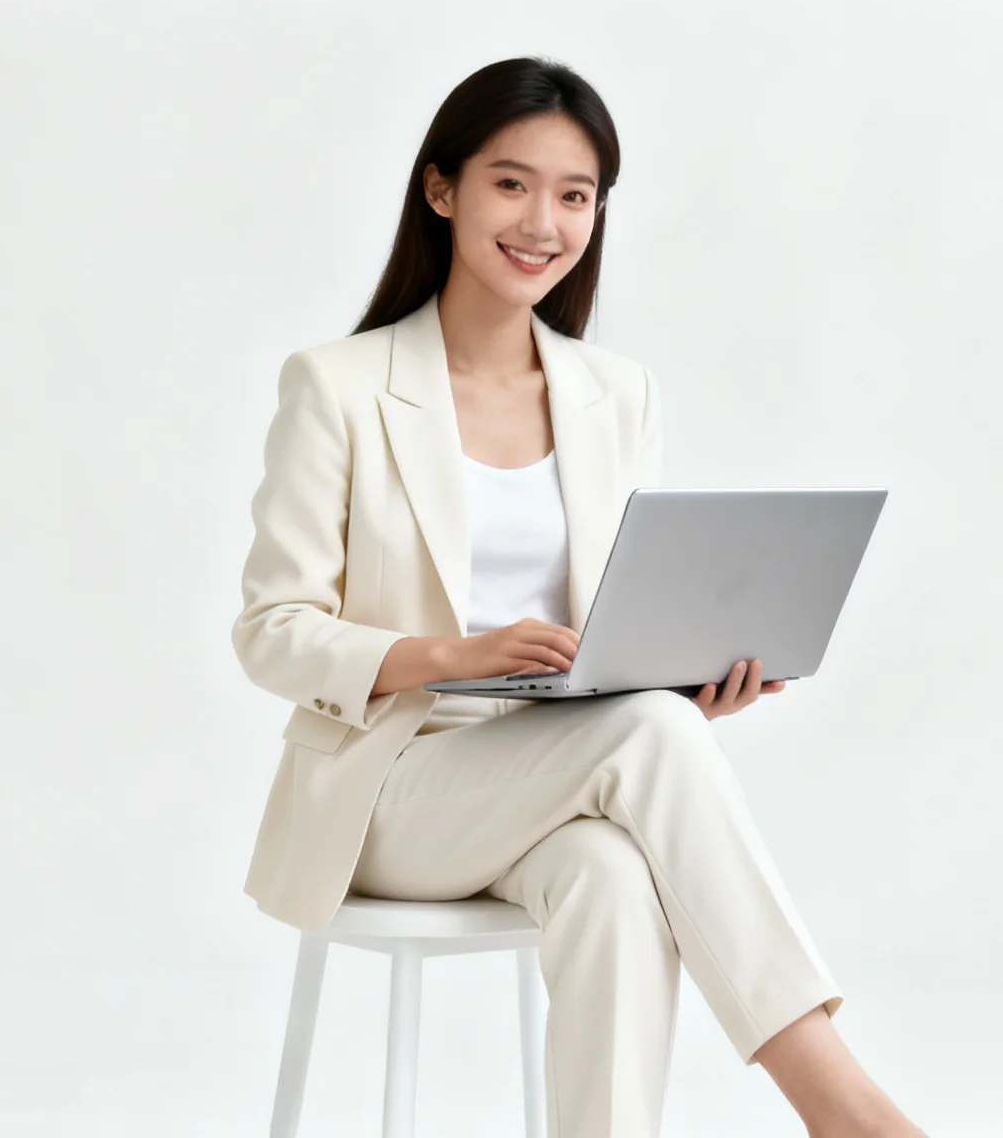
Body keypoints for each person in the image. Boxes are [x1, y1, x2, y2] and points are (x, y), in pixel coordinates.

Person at [231, 56, 928, 1138]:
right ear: (441, 190)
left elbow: (604, 625)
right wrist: (448, 655)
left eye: (575, 195)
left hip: (564, 763)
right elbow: (272, 634)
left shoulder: (615, 394)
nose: (543, 222)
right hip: (388, 787)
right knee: (641, 739)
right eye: (511, 184)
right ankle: (841, 1107)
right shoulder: (337, 386)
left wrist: (675, 687)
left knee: (608, 872)